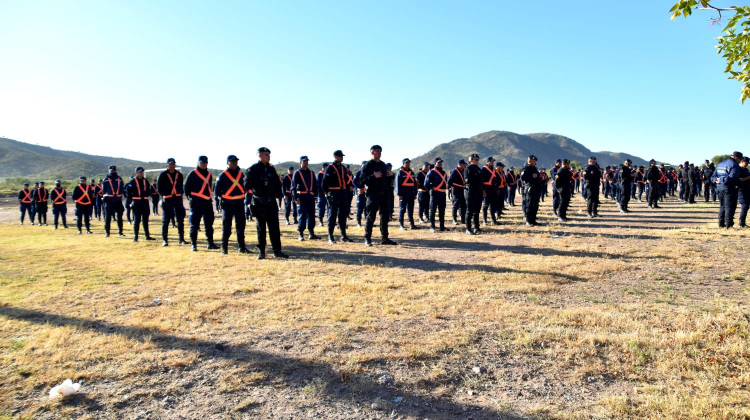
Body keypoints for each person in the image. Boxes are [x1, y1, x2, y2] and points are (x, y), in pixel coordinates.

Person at [245, 147, 288, 259]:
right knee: (261, 227)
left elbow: (277, 184)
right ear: (259, 155)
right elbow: (246, 185)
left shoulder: (271, 169)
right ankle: (262, 251)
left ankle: (277, 251)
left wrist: (279, 195)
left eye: (269, 154)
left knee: (274, 227)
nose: (268, 156)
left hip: (271, 201)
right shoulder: (253, 169)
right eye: (266, 154)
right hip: (259, 201)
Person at [358, 145, 398, 247]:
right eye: (377, 151)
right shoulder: (367, 166)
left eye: (380, 151)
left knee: (384, 217)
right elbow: (361, 181)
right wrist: (373, 176)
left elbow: (388, 180)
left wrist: (391, 175)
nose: (379, 153)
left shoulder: (383, 165)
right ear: (372, 153)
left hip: (384, 194)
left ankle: (385, 238)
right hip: (373, 194)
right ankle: (367, 238)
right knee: (371, 217)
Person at [215, 155, 251, 254]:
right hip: (227, 204)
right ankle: (224, 248)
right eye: (232, 161)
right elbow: (217, 191)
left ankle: (242, 247)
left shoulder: (241, 174)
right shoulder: (222, 175)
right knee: (226, 227)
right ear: (228, 163)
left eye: (236, 161)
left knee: (241, 227)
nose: (235, 163)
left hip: (239, 203)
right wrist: (218, 203)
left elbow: (246, 187)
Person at [184, 155, 220, 251]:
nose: (203, 164)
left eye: (205, 163)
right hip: (196, 201)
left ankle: (210, 243)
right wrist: (190, 198)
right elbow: (186, 188)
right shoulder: (192, 174)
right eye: (202, 163)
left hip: (207, 201)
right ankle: (194, 244)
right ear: (198, 163)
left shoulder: (209, 174)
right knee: (194, 224)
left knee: (209, 223)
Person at [323, 150, 353, 243]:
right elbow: (324, 182)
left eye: (342, 156)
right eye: (340, 156)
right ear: (335, 157)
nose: (342, 157)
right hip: (333, 193)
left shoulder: (343, 168)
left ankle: (343, 235)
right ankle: (330, 236)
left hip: (343, 193)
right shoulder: (330, 168)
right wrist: (326, 193)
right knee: (332, 215)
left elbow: (345, 179)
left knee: (343, 214)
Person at [157, 158, 186, 246]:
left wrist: (179, 194)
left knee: (180, 219)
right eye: (170, 164)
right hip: (167, 199)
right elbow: (159, 188)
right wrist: (164, 196)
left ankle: (181, 239)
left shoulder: (179, 175)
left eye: (173, 164)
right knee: (166, 220)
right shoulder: (162, 175)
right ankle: (165, 240)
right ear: (167, 165)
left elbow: (181, 186)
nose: (172, 165)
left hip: (177, 199)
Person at [712, 151, 743, 229]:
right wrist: (721, 180)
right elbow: (732, 178)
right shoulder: (734, 165)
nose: (740, 161)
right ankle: (729, 225)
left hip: (719, 187)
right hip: (729, 188)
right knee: (729, 206)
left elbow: (713, 177)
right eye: (740, 159)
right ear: (736, 158)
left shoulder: (721, 164)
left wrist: (717, 180)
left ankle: (721, 224)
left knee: (722, 206)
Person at [292, 156, 319, 241]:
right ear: (300, 162)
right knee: (302, 215)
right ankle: (301, 234)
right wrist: (296, 198)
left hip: (310, 197)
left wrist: (315, 196)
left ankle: (311, 233)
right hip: (302, 197)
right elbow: (293, 187)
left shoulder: (311, 172)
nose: (306, 162)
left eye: (307, 161)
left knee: (311, 215)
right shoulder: (297, 173)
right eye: (304, 161)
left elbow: (315, 185)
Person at [126, 167, 155, 242]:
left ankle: (147, 236)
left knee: (145, 220)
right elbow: (128, 193)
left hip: (145, 202)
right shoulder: (132, 182)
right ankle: (135, 237)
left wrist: (148, 194)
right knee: (137, 220)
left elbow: (149, 190)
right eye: (139, 172)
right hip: (136, 202)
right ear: (136, 173)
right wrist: (131, 201)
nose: (141, 173)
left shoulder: (145, 181)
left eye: (142, 172)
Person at [425, 157, 448, 232]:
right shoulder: (431, 172)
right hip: (435, 193)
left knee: (442, 210)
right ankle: (432, 226)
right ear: (435, 163)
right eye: (439, 162)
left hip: (442, 193)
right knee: (433, 210)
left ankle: (442, 226)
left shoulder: (444, 172)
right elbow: (426, 184)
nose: (440, 163)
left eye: (441, 162)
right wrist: (432, 189)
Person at [101, 165, 125, 237]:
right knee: (108, 217)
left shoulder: (120, 179)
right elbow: (103, 191)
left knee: (120, 217)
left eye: (114, 170)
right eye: (111, 171)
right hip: (109, 200)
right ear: (108, 171)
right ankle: (107, 232)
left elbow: (122, 188)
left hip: (118, 200)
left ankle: (120, 232)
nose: (113, 172)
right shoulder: (105, 179)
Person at [520, 155, 543, 226]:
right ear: (529, 161)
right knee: (530, 205)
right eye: (534, 161)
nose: (535, 163)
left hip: (536, 189)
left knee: (535, 205)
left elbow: (537, 176)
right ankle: (528, 221)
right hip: (530, 189)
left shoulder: (535, 168)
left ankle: (533, 220)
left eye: (535, 161)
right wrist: (531, 176)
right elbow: (522, 178)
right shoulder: (526, 169)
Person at [396, 158, 418, 230]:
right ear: (403, 163)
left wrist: (415, 193)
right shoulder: (400, 172)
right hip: (404, 194)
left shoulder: (411, 172)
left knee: (410, 209)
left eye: (409, 163)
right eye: (406, 163)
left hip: (411, 193)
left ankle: (412, 224)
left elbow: (414, 183)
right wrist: (400, 194)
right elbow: (398, 184)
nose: (408, 164)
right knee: (402, 209)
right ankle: (401, 225)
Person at [464, 154, 483, 235]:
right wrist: (477, 178)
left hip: (478, 190)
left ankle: (476, 227)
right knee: (469, 211)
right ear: (470, 160)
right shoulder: (468, 168)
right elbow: (468, 180)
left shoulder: (478, 168)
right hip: (471, 191)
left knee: (477, 211)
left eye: (478, 159)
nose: (477, 161)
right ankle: (468, 229)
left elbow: (481, 178)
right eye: (475, 159)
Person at [481, 157, 500, 225]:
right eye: (491, 161)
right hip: (486, 189)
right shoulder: (483, 170)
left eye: (493, 162)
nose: (492, 163)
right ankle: (484, 220)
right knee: (485, 205)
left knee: (493, 205)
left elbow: (497, 179)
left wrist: (497, 188)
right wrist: (483, 190)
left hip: (493, 189)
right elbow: (481, 181)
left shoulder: (494, 170)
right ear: (487, 162)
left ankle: (493, 220)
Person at [449, 159, 467, 225]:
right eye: (463, 164)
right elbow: (449, 182)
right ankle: (454, 219)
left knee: (463, 205)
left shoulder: (464, 171)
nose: (465, 165)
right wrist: (451, 188)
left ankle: (463, 219)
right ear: (459, 164)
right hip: (456, 190)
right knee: (456, 205)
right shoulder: (454, 172)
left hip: (462, 190)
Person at [353, 161, 367, 227]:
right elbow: (354, 182)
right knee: (360, 208)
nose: (364, 166)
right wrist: (359, 188)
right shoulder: (358, 173)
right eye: (363, 165)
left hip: (367, 193)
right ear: (361, 165)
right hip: (361, 192)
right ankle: (359, 222)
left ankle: (368, 222)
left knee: (367, 208)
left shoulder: (368, 172)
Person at [737, 157, 750, 228]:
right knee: (745, 206)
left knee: (746, 206)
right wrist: (747, 178)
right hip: (741, 190)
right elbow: (737, 180)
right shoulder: (737, 170)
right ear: (742, 161)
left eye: (748, 163)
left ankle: (743, 223)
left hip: (747, 190)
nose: (747, 164)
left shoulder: (746, 170)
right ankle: (741, 223)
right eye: (746, 163)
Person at [316, 163, 328, 227]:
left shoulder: (329, 174)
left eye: (326, 167)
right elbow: (318, 185)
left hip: (329, 194)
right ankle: (321, 221)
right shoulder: (319, 174)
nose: (325, 168)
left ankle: (330, 220)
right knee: (321, 208)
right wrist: (323, 192)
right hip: (322, 194)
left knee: (330, 208)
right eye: (324, 167)